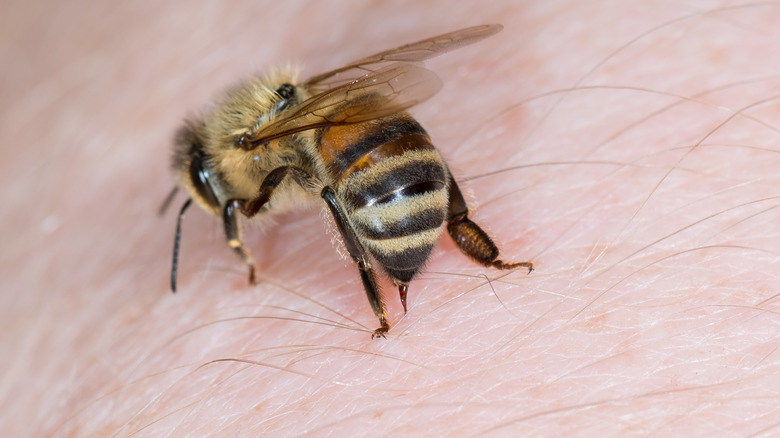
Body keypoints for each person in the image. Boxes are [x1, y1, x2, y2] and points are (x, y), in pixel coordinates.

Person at [4, 1, 779, 436]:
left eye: (214, 191)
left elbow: (286, 191)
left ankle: (383, 299)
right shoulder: (294, 109)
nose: (224, 203)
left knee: (346, 185)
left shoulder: (254, 151)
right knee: (365, 166)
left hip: (374, 176)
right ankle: (479, 250)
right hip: (383, 145)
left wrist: (244, 247)